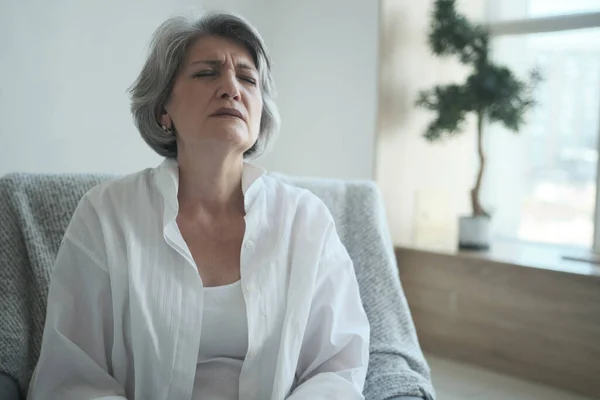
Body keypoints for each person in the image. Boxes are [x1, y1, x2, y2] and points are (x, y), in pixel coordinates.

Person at [27, 10, 370, 400]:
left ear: (260, 110)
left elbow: (337, 368)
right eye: (207, 73)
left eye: (247, 78)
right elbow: (73, 374)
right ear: (163, 109)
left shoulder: (306, 220)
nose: (231, 88)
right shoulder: (106, 215)